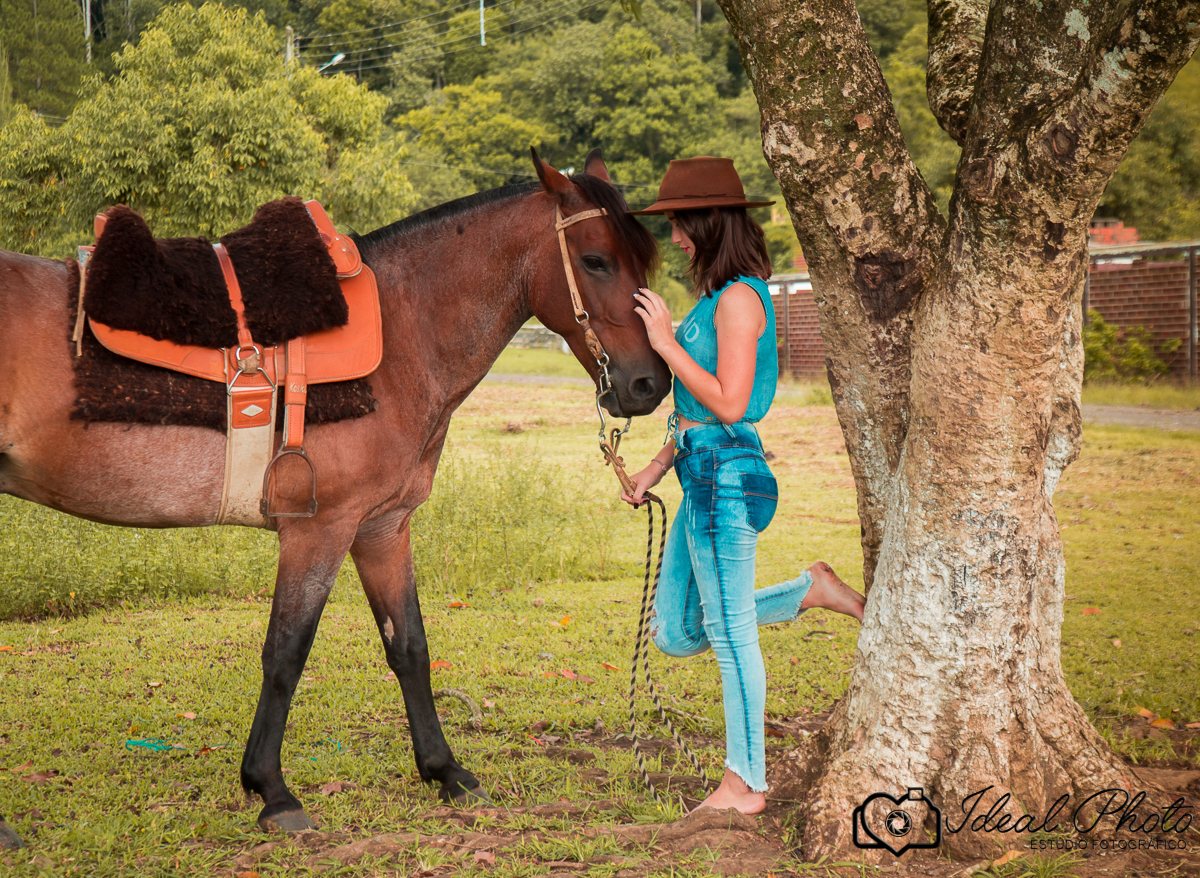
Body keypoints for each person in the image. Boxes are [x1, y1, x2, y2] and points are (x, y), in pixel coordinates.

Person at [624, 157, 866, 815]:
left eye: (679, 226)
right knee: (677, 631)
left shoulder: (737, 299)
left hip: (726, 477)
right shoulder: (711, 302)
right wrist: (653, 467)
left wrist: (666, 344)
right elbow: (694, 412)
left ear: (707, 222)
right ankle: (809, 589)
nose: (676, 239)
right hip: (700, 470)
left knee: (731, 637)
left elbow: (729, 404)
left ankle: (745, 785)